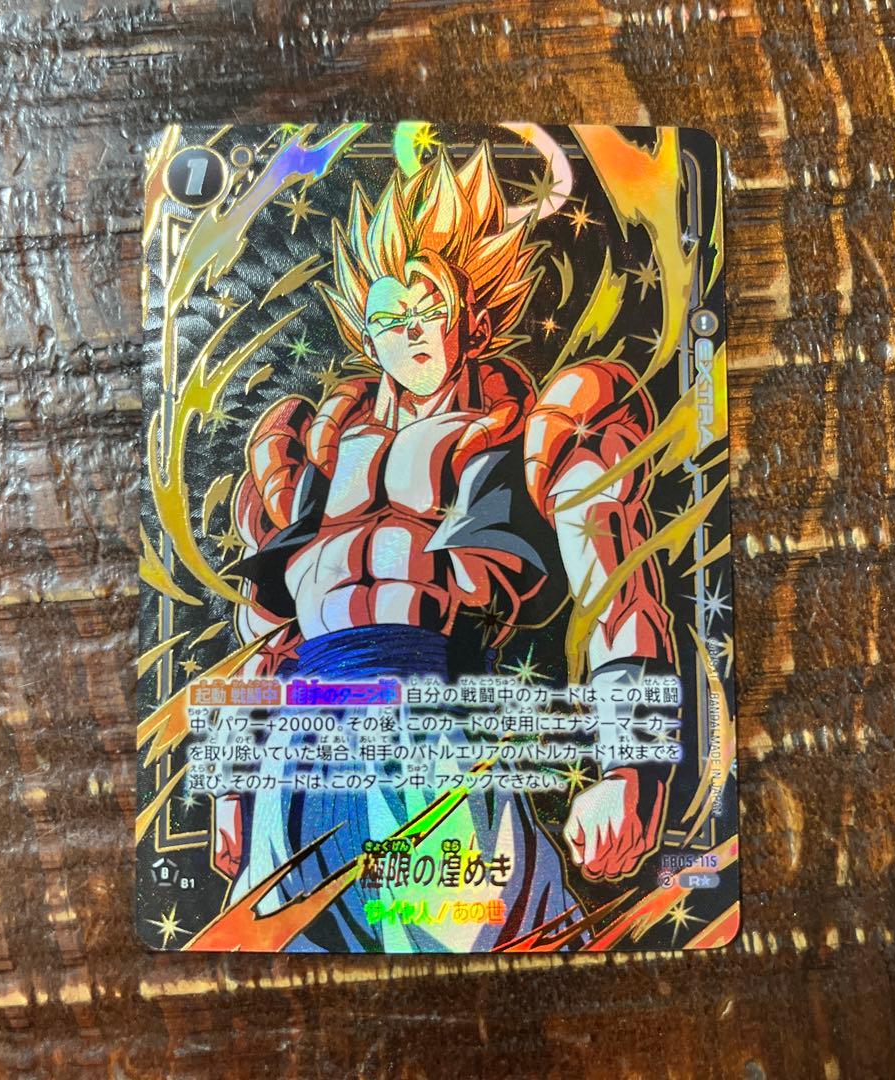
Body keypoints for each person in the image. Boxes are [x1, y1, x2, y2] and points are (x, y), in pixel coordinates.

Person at [213, 145, 675, 952]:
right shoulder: (310, 453)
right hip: (300, 751)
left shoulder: (533, 432)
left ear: (473, 319)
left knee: (470, 955)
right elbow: (267, 637)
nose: (408, 333)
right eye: (388, 319)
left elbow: (619, 592)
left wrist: (630, 772)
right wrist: (232, 786)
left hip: (432, 729)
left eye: (426, 309)